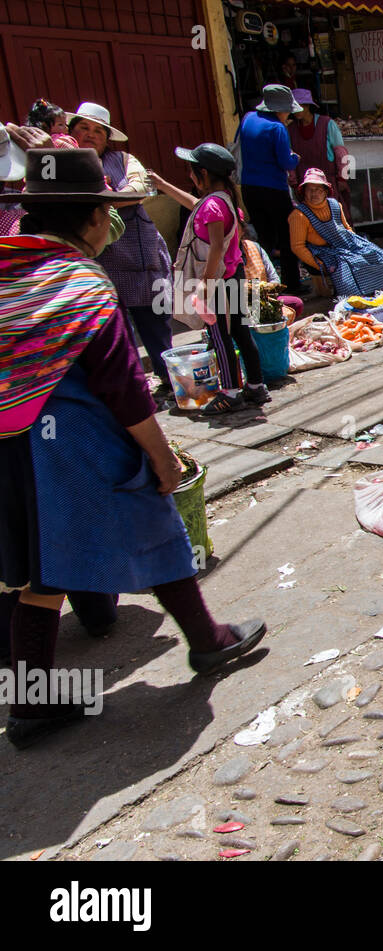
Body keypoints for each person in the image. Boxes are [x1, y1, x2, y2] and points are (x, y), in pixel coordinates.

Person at [0, 149, 267, 748]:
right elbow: (122, 387)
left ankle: (31, 703)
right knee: (157, 527)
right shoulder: (79, 284)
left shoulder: (7, 274)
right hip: (78, 443)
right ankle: (209, 641)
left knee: (39, 576)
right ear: (94, 216)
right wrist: (162, 456)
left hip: (11, 451)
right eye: (108, 213)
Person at [151, 143, 270, 416]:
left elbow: (216, 245)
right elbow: (196, 206)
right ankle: (255, 386)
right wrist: (163, 185)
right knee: (241, 331)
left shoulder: (213, 205)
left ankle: (230, 393)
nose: (190, 177)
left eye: (192, 172)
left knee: (220, 337)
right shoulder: (223, 199)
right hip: (235, 276)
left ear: (202, 173)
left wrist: (205, 283)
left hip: (218, 282)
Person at [66, 102, 175, 398]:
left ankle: (170, 377)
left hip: (139, 253)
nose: (90, 135)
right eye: (84, 128)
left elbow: (138, 191)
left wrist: (94, 201)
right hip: (96, 259)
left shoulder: (124, 159)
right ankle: (132, 388)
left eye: (98, 131)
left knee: (154, 319)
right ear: (71, 131)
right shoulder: (62, 162)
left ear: (106, 137)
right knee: (114, 327)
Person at [287, 168, 383, 299]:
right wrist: (320, 265)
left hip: (345, 244)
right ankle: (355, 299)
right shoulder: (299, 215)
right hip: (324, 253)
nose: (314, 193)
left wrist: (358, 245)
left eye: (318, 189)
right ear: (304, 192)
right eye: (310, 189)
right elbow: (297, 247)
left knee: (381, 256)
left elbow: (347, 228)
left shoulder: (335, 205)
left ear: (326, 191)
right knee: (347, 269)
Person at [237, 85, 302, 296]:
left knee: (264, 239)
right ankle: (291, 286)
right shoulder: (277, 128)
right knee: (287, 237)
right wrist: (295, 158)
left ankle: (264, 286)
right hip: (274, 189)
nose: (289, 114)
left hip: (249, 188)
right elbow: (286, 162)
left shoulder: (247, 118)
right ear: (279, 108)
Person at [287, 88, 350, 216]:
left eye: (299, 106)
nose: (296, 110)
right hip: (305, 188)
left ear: (307, 106)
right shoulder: (291, 129)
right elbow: (289, 157)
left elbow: (343, 153)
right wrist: (293, 182)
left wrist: (344, 178)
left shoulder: (327, 124)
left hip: (329, 185)